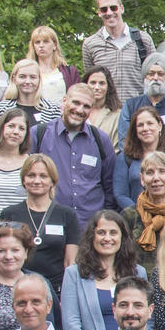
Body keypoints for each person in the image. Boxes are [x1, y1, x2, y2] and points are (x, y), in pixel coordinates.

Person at [33, 83, 118, 230]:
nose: (79, 110)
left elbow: (110, 185)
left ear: (91, 109)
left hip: (89, 226)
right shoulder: (39, 135)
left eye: (86, 106)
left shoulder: (101, 140)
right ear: (64, 101)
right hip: (49, 221)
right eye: (76, 103)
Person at [0, 154, 80, 295]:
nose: (37, 181)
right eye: (31, 175)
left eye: (43, 176)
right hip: (16, 289)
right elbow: (2, 255)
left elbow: (70, 263)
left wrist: (68, 296)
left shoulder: (67, 215)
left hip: (55, 291)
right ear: (23, 180)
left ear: (52, 181)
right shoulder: (9, 214)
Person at [61, 210, 143, 330]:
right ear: (92, 237)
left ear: (122, 237)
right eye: (101, 232)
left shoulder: (138, 273)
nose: (107, 238)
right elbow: (71, 325)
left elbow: (147, 320)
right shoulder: (74, 274)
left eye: (113, 233)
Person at [82, 0, 155, 101]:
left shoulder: (143, 40)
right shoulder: (90, 44)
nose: (109, 12)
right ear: (99, 13)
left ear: (122, 8)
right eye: (104, 9)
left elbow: (155, 76)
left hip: (137, 108)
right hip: (106, 108)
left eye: (113, 8)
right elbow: (90, 83)